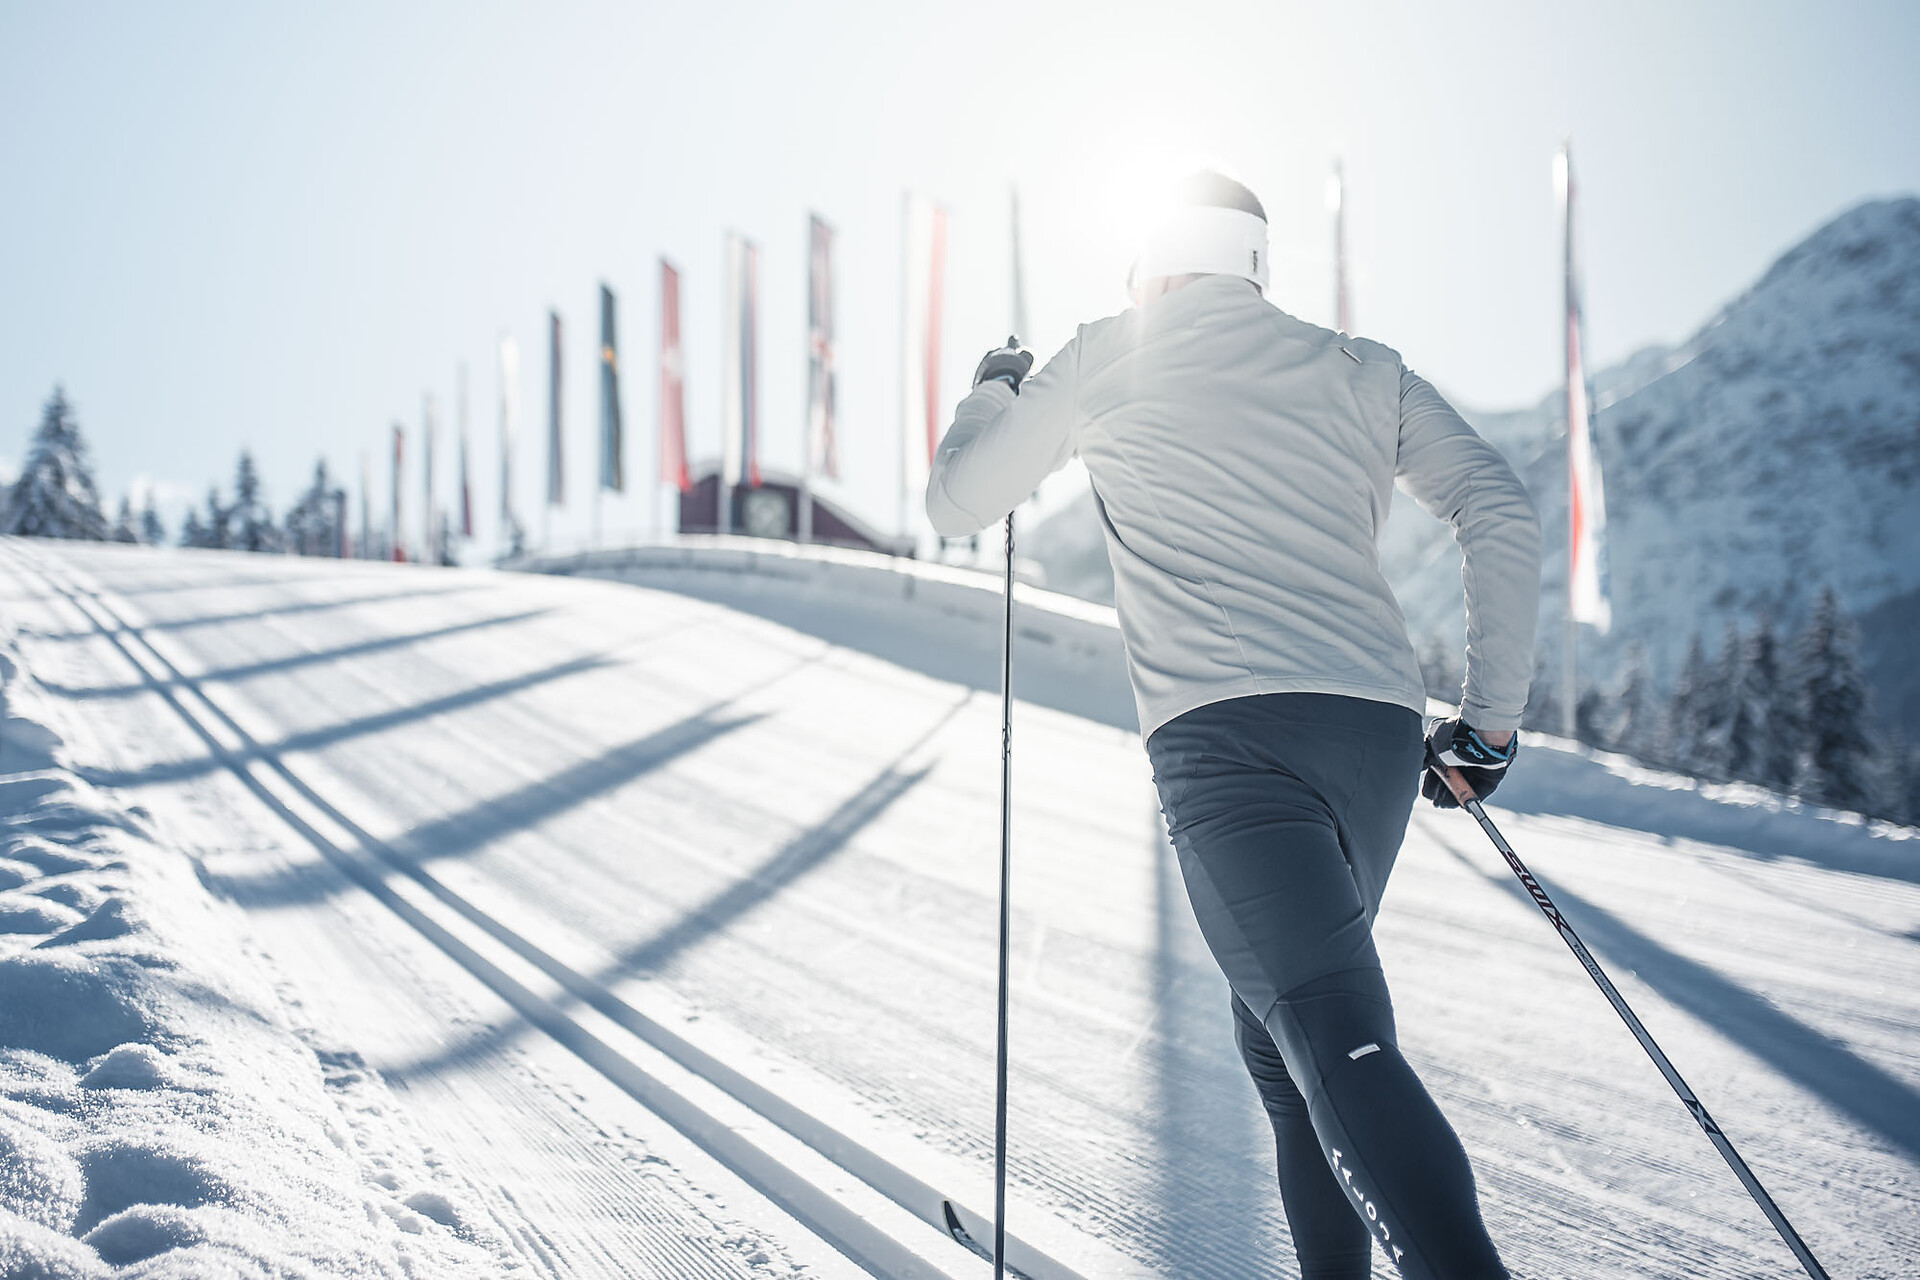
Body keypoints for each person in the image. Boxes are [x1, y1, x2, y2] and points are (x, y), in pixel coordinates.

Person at [925, 171, 1540, 1279]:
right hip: (1375, 739)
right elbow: (1497, 504)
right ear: (1255, 260)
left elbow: (960, 502)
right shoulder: (1360, 366)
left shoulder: (1111, 349)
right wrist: (1486, 725)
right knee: (1286, 1047)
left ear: (1150, 261)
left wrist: (992, 395)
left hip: (1228, 744)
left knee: (1325, 1032)